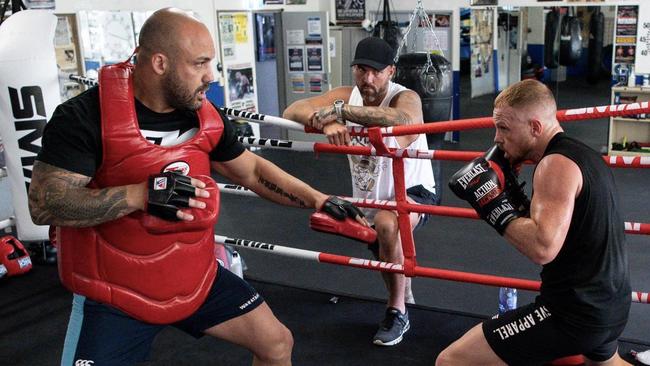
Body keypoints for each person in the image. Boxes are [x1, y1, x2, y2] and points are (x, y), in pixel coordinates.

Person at [27, 8, 366, 366]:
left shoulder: (204, 115)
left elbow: (250, 170)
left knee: (276, 343)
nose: (210, 76)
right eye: (200, 63)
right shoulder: (84, 117)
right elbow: (46, 203)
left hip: (193, 277)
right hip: (115, 294)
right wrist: (138, 194)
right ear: (160, 62)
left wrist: (319, 199)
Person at [439, 79, 631, 365]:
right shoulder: (584, 155)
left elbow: (543, 248)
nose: (496, 138)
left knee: (451, 361)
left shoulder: (554, 165)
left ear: (535, 128)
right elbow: (566, 232)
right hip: (610, 306)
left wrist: (492, 204)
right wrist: (514, 200)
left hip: (573, 314)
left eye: (504, 128)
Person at [283, 36, 437, 347]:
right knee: (382, 247)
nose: (368, 79)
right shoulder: (347, 94)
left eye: (376, 72)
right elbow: (292, 110)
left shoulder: (405, 97)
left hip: (414, 190)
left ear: (391, 71)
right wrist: (325, 124)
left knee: (385, 224)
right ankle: (401, 289)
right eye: (361, 70)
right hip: (371, 194)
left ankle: (398, 311)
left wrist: (341, 113)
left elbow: (403, 121)